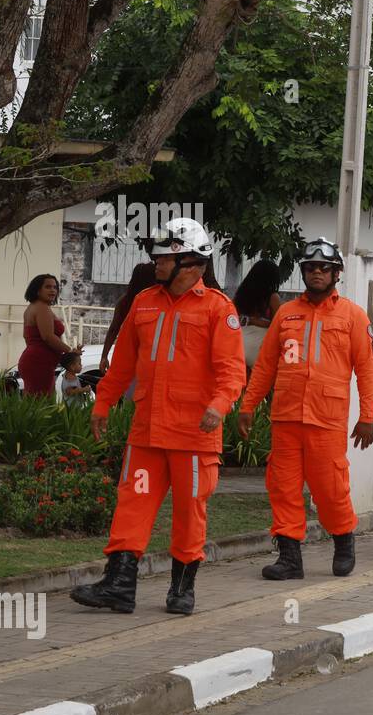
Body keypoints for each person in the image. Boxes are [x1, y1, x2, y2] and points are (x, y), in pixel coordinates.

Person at [71, 218, 246, 615]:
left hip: (194, 436)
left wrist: (219, 406)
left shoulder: (219, 309)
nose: (155, 262)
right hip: (147, 431)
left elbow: (232, 370)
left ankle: (181, 590)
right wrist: (103, 403)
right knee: (132, 504)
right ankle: (118, 585)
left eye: (164, 256)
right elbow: (123, 364)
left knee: (189, 513)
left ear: (190, 262)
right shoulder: (144, 301)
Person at [241, 239, 373, 579]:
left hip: (327, 420)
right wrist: (247, 405)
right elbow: (265, 367)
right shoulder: (286, 314)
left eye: (324, 268)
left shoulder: (353, 316)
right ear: (303, 272)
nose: (317, 272)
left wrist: (367, 417)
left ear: (336, 273)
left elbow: (365, 369)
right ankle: (290, 558)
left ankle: (343, 540)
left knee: (330, 490)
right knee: (283, 487)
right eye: (311, 267)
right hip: (286, 418)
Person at [18, 274, 77, 397]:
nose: (53, 290)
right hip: (39, 364)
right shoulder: (42, 308)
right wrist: (70, 350)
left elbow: (27, 336)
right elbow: (48, 337)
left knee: (36, 405)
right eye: (48, 287)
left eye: (55, 287)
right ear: (38, 290)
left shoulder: (33, 307)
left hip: (36, 362)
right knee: (42, 406)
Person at [100, 262, 156, 375]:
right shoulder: (157, 302)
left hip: (129, 355)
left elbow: (113, 329)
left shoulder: (125, 301)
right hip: (150, 356)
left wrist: (104, 356)